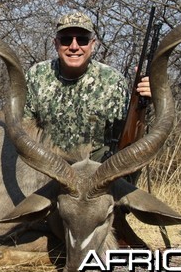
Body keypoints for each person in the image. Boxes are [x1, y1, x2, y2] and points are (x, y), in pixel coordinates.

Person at [24, 11, 151, 161]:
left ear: (93, 44)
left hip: (94, 171)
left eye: (83, 40)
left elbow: (129, 139)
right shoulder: (36, 75)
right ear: (56, 44)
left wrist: (146, 102)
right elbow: (23, 130)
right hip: (48, 166)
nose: (74, 46)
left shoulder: (112, 81)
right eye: (66, 40)